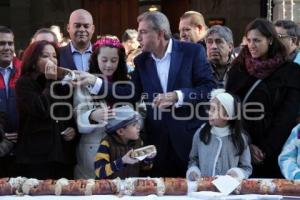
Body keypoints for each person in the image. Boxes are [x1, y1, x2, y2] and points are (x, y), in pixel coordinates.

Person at [73, 11, 215, 177]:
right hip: (156, 146)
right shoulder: (141, 61)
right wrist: (94, 82)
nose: (138, 38)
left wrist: (178, 96)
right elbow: (129, 93)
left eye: (143, 32)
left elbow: (208, 89)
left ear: (160, 33)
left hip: (189, 142)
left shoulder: (193, 52)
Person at [226, 18, 300, 178]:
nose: (252, 45)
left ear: (271, 40)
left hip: (275, 152)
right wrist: (246, 146)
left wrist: (264, 149)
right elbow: (229, 110)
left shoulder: (291, 72)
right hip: (240, 150)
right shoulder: (238, 69)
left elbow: (286, 117)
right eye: (249, 40)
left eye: (257, 40)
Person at [15, 40, 77, 179]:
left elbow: (67, 113)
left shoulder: (60, 83)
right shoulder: (24, 83)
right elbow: (41, 109)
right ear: (33, 60)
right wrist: (50, 82)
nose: (51, 60)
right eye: (45, 56)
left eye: (54, 56)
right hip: (36, 157)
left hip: (61, 155)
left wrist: (72, 129)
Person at [73, 36, 129, 179]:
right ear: (95, 59)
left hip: (122, 152)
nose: (109, 65)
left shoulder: (127, 84)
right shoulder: (84, 83)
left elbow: (140, 116)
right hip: (92, 152)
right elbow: (78, 118)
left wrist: (129, 120)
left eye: (114, 60)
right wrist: (92, 116)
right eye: (104, 60)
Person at [186, 89, 252, 181]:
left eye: (214, 109)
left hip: (229, 191)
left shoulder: (240, 138)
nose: (209, 112)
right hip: (205, 191)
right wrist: (193, 171)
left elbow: (246, 168)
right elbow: (193, 159)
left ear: (227, 115)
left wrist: (238, 173)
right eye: (210, 108)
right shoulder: (201, 134)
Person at [94, 105, 155, 179]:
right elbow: (99, 171)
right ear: (120, 131)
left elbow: (144, 167)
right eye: (134, 125)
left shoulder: (139, 142)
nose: (138, 127)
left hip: (129, 188)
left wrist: (148, 159)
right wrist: (122, 161)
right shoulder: (106, 144)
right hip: (109, 188)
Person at [0, 26, 21, 177]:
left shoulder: (24, 70)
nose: (7, 47)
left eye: (10, 43)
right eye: (1, 43)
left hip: (23, 149)